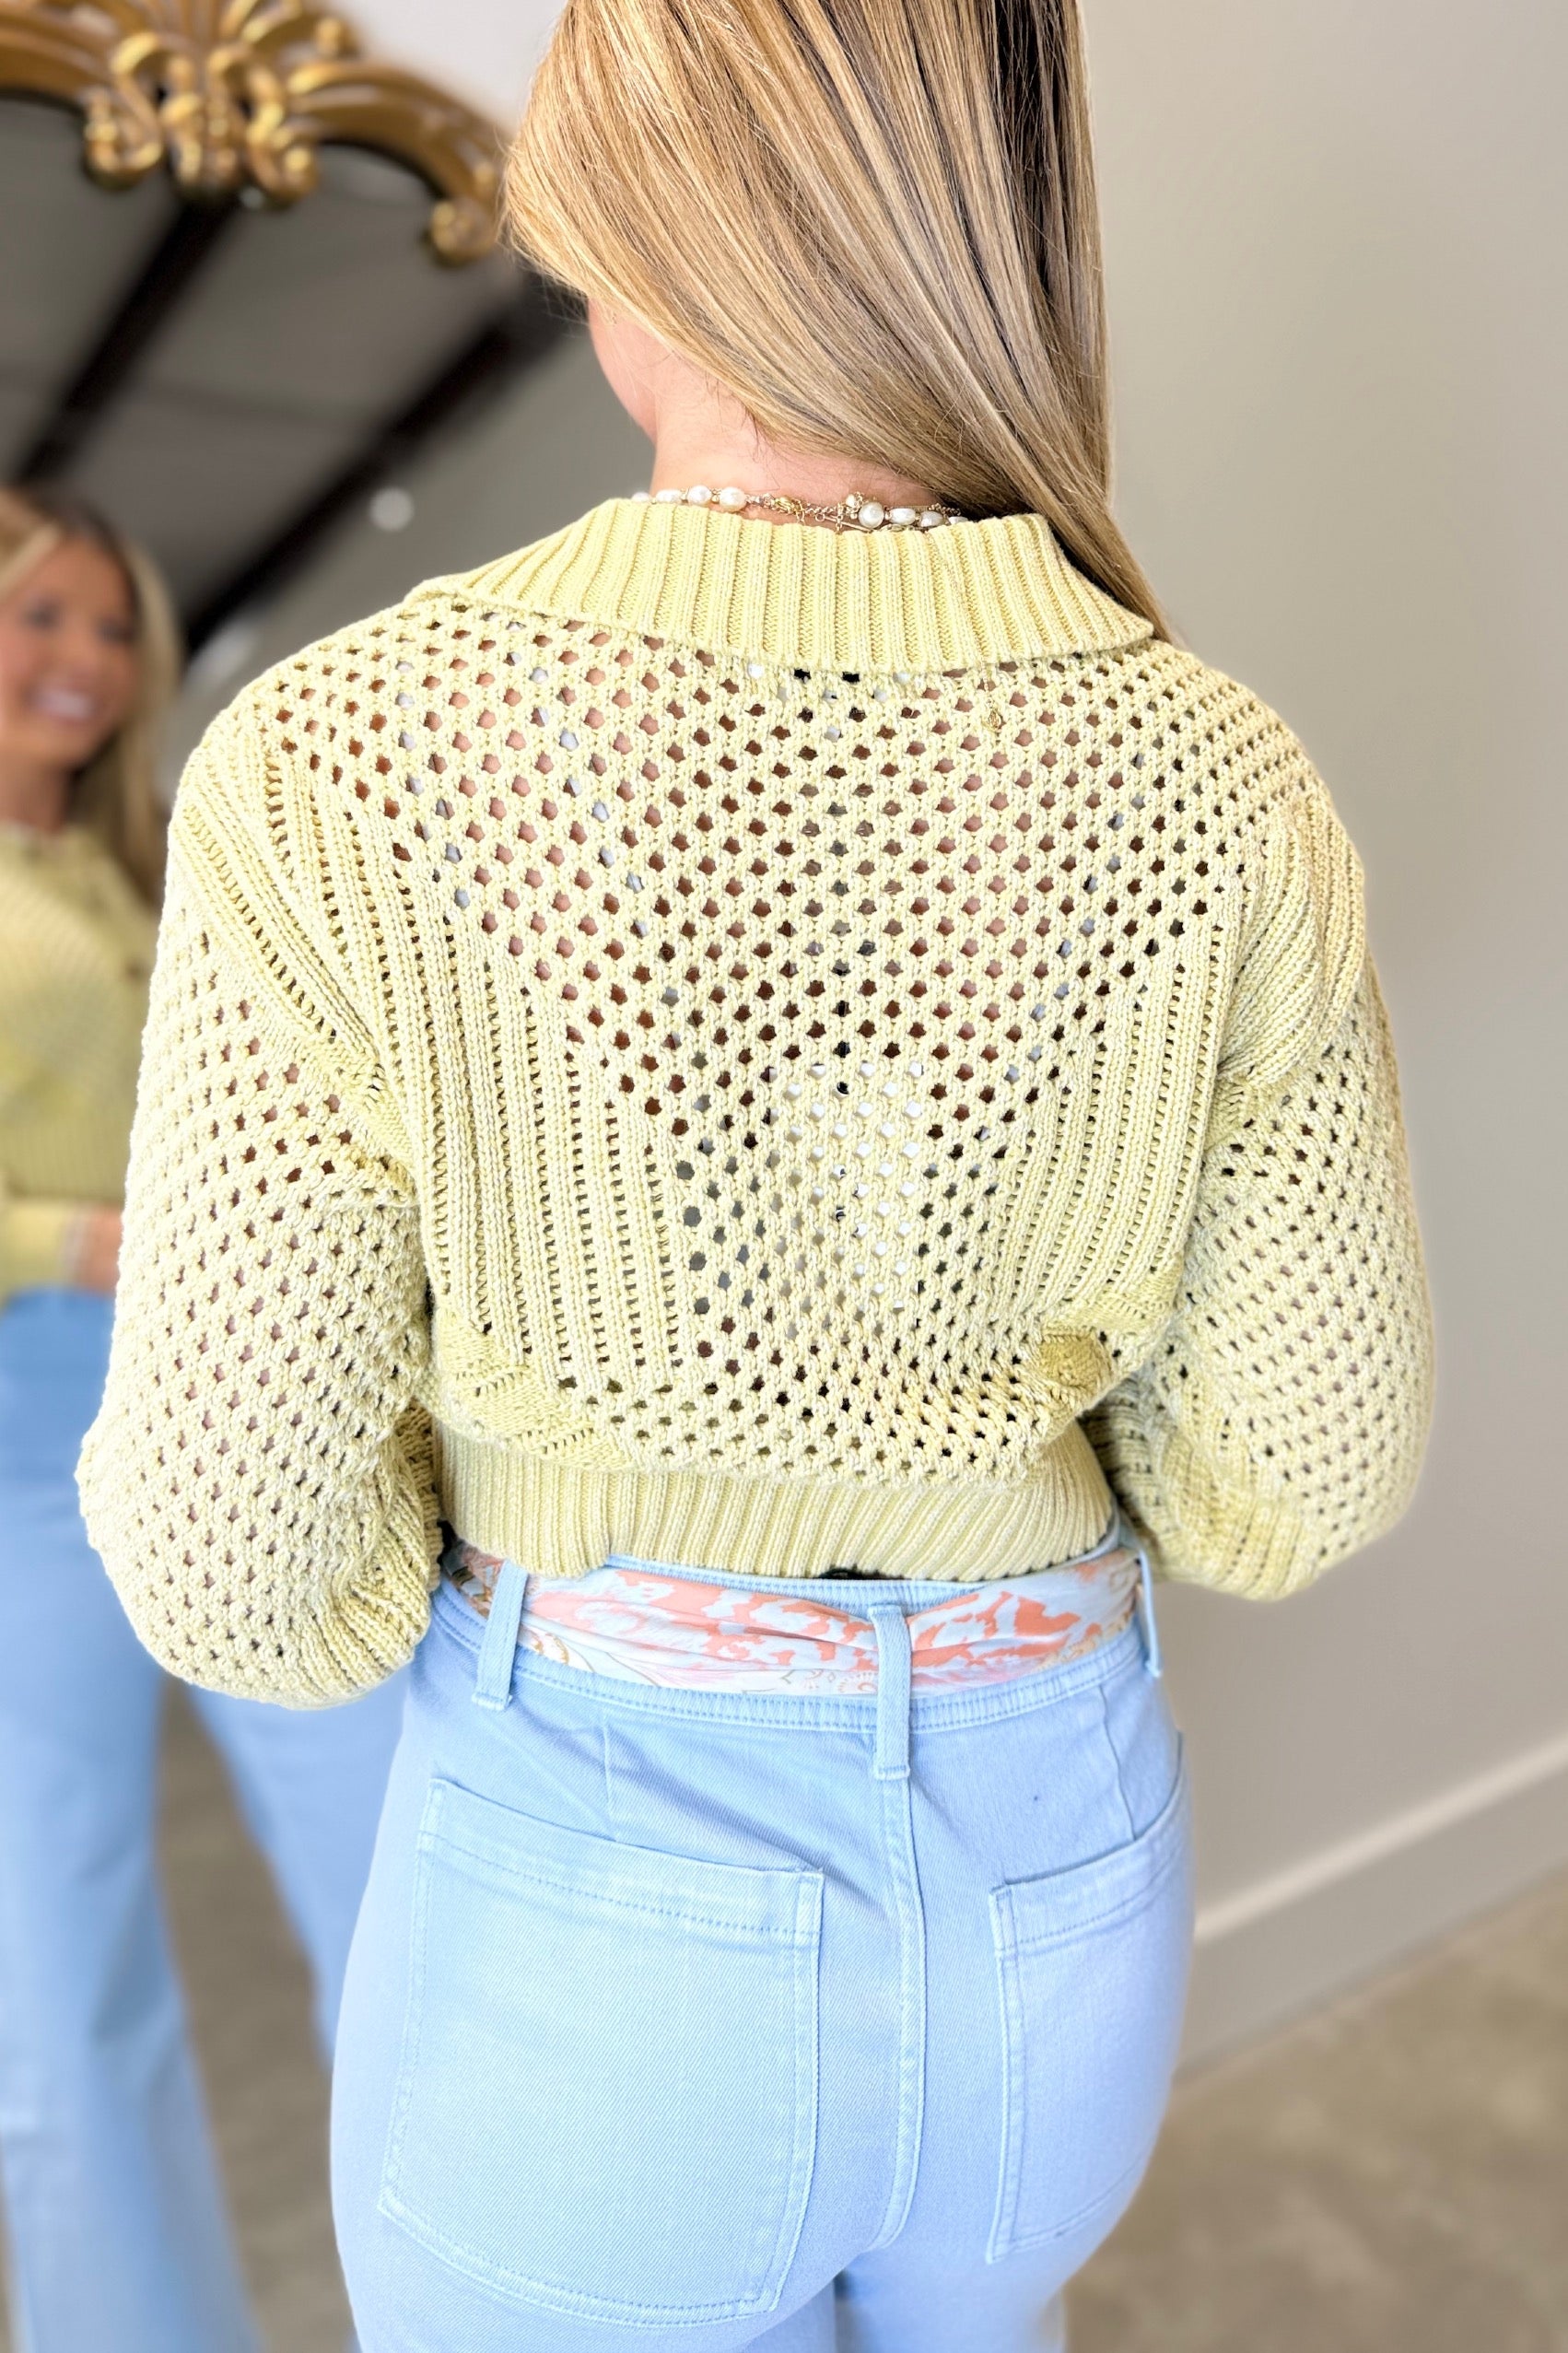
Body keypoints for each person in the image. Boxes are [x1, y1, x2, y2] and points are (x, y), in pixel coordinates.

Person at [79, 1, 1434, 2345]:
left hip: (601, 1881)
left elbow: (238, 1570)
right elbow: (1300, 1475)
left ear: (635, 230)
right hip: (1057, 1872)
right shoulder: (1218, 769)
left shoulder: (341, 757)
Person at [0, 484, 405, 2353]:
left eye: (111, 627)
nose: (84, 661)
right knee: (58, 1970)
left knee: (400, 1878)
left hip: (230, 1396)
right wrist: (81, 1236)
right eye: (42, 616)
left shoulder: (148, 857)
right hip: (21, 1433)